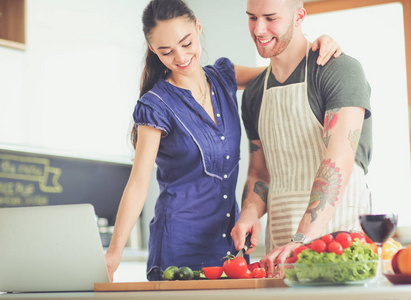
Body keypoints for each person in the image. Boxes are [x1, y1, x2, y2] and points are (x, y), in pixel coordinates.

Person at [104, 0, 341, 282]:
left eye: (186, 43)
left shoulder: (222, 77)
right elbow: (138, 184)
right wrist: (114, 252)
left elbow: (282, 72)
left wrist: (316, 47)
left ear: (198, 28)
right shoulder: (155, 105)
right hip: (179, 249)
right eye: (167, 52)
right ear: (154, 50)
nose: (180, 57)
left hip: (231, 246)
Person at [231, 0, 372, 278]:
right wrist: (249, 212)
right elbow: (261, 174)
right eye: (252, 18)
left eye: (271, 18)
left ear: (299, 16)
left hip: (340, 245)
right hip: (279, 256)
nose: (259, 29)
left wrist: (302, 240)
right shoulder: (255, 93)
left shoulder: (339, 71)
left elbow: (337, 162)